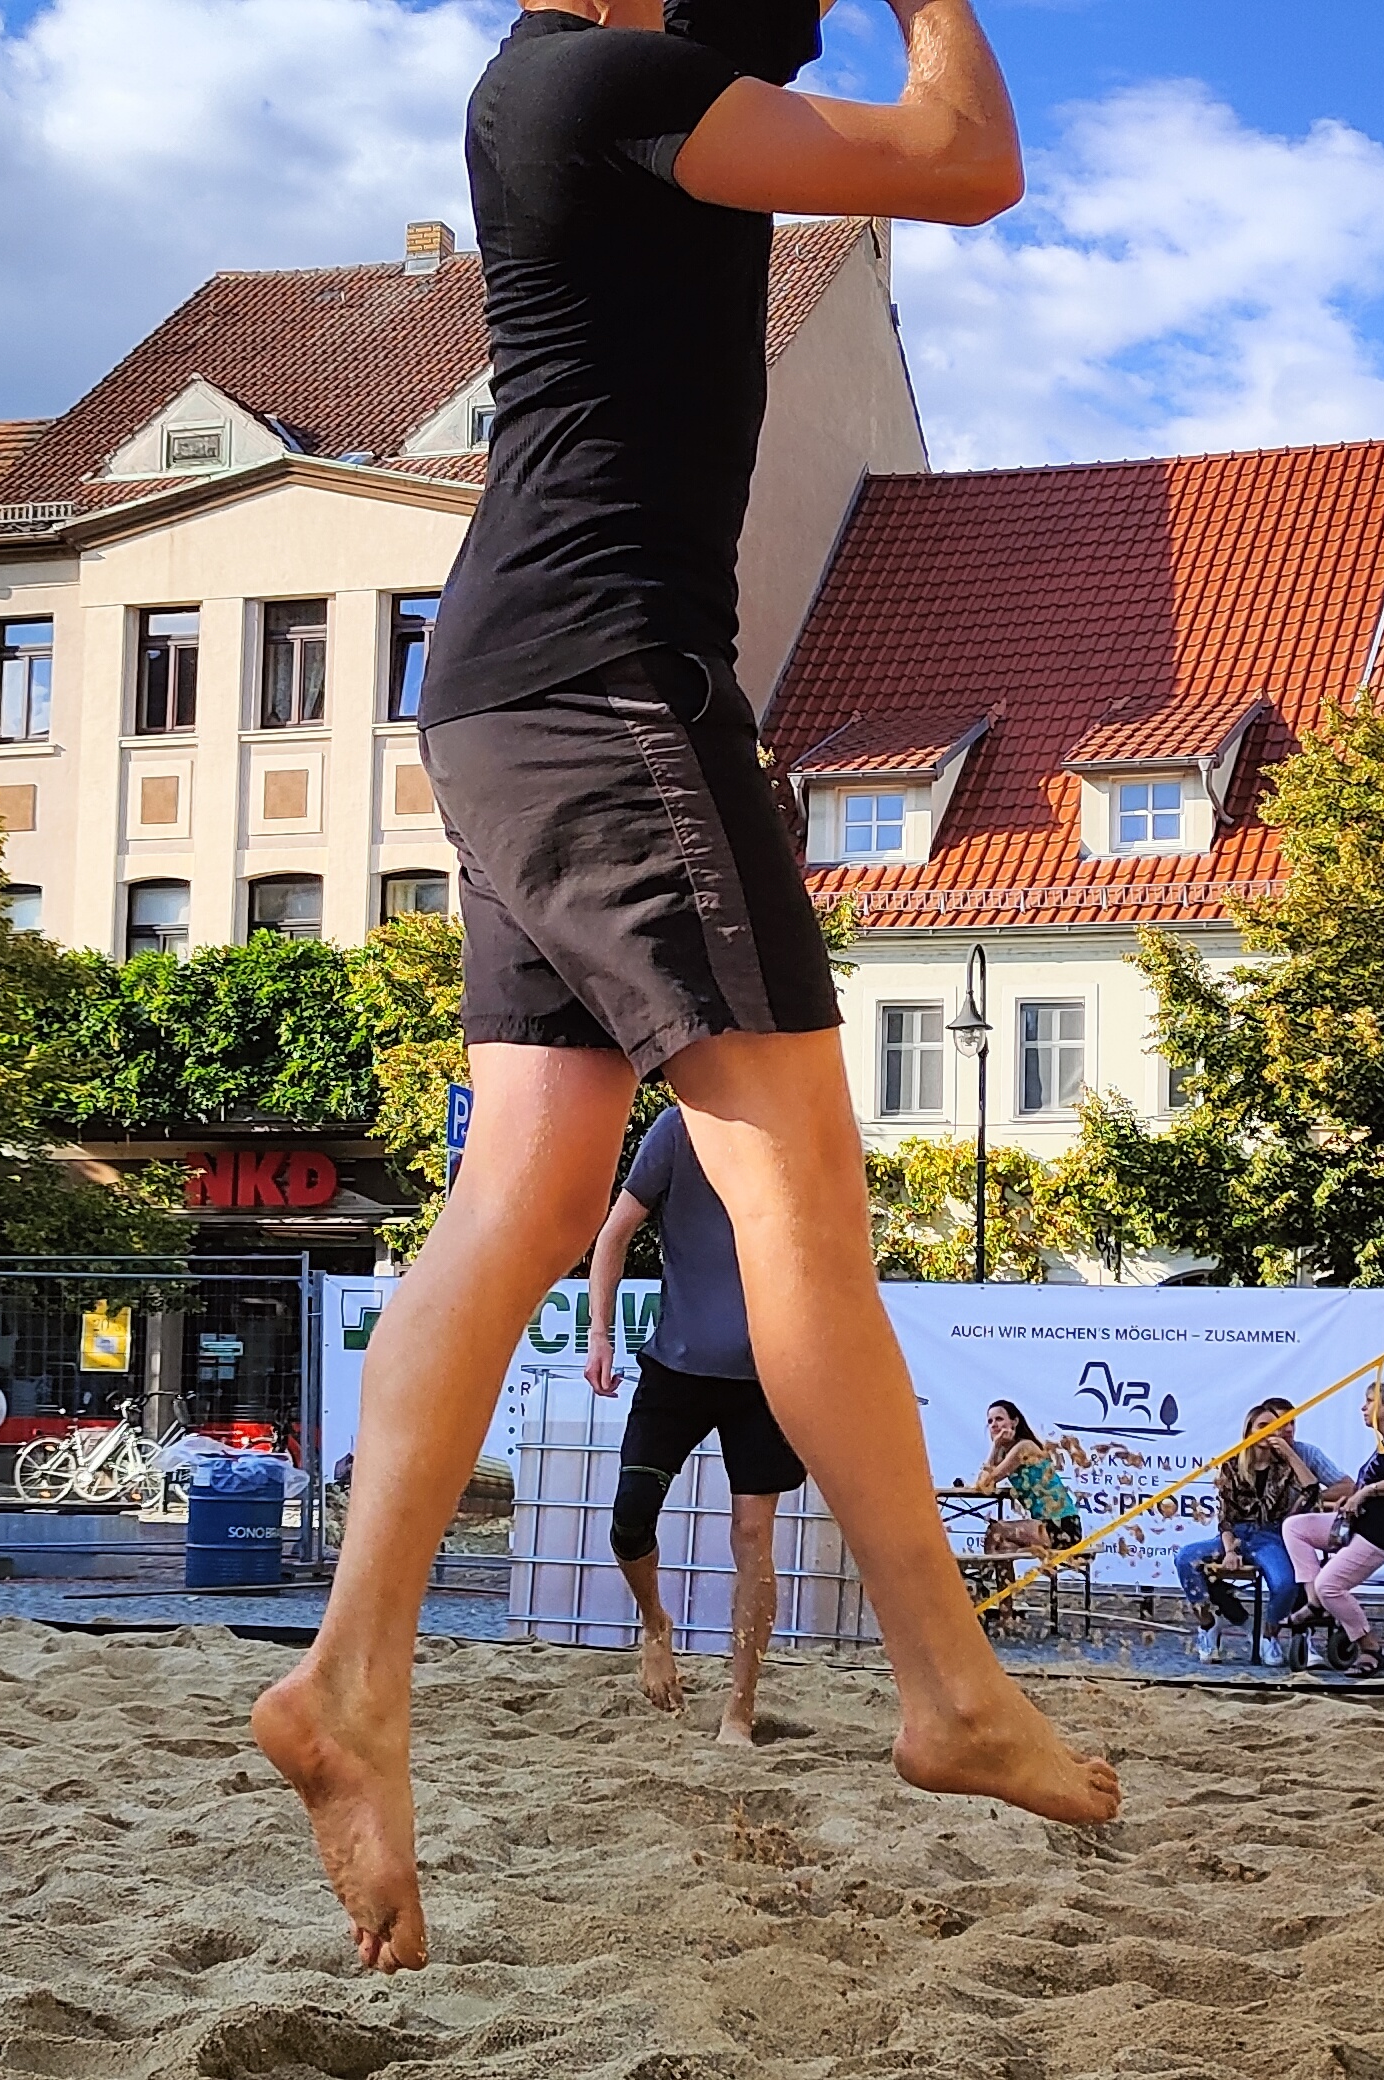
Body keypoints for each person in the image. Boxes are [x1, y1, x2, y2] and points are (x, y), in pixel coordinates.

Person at [251, 0, 1113, 1972]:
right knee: (795, 1184)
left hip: (506, 693)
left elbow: (818, 116)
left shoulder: (580, 92)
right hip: (610, 684)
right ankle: (948, 1685)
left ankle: (349, 1681)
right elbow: (967, 162)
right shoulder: (600, 74)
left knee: (526, 1187)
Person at [583, 1103, 806, 1744]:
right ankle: (655, 1623)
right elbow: (614, 1232)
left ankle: (740, 1709)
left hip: (764, 1378)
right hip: (676, 1369)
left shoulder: (785, 1127)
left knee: (753, 1537)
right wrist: (599, 1334)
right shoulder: (676, 1129)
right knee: (630, 1517)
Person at [1278, 1379, 1384, 1678]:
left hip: (1383, 1532)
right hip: (1362, 1522)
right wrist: (1352, 1498)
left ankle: (1370, 1648)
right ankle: (1315, 1601)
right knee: (1295, 1527)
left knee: (1330, 1585)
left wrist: (1365, 1492)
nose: (1363, 1407)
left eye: (1370, 1401)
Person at [1178, 1397, 1327, 1663]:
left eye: (1275, 1426)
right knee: (1185, 1559)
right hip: (1236, 1533)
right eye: (1262, 1426)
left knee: (1285, 1583)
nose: (1269, 1431)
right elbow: (1225, 1515)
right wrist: (1230, 1550)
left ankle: (1269, 1635)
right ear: (1249, 1430)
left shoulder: (1286, 1465)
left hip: (1270, 1535)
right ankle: (1207, 1624)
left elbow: (1311, 1490)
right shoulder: (1232, 1464)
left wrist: (1289, 1453)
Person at [965, 1399, 1082, 1556]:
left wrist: (995, 1445)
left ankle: (986, 1572)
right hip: (1045, 1523)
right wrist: (997, 1449)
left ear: (1015, 1422)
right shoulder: (1005, 1452)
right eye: (990, 1421)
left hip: (1061, 1525)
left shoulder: (1024, 1447)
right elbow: (982, 1484)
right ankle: (997, 1573)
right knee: (1004, 1547)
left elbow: (986, 1483)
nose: (994, 1425)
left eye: (999, 1419)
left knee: (996, 1531)